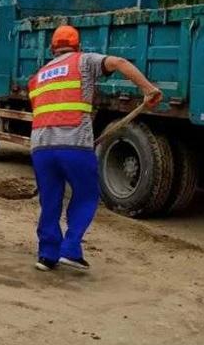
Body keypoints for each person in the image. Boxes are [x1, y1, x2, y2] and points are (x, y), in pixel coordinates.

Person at [28, 24, 163, 273]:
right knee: (87, 193)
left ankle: (47, 255)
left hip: (41, 147)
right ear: (77, 45)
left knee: (50, 201)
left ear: (52, 48)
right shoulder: (84, 61)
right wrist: (148, 88)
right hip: (74, 144)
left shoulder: (39, 74)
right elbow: (119, 62)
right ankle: (70, 249)